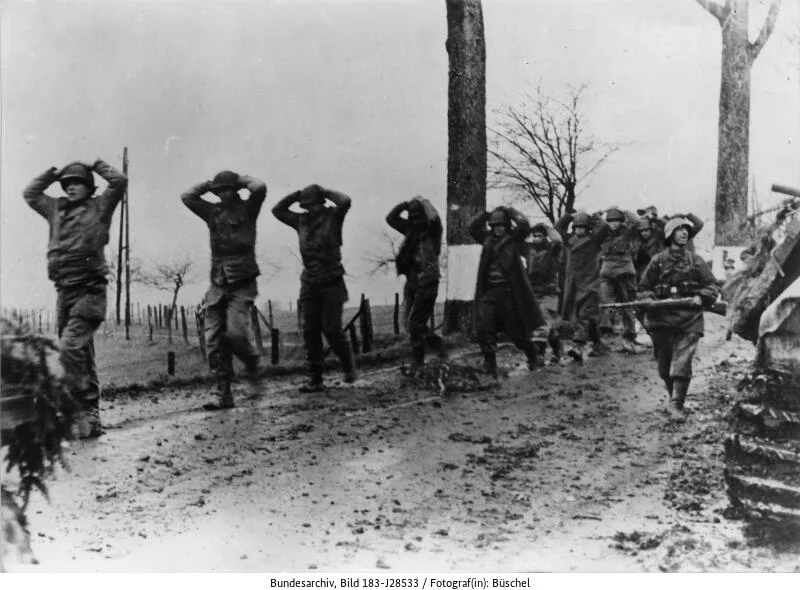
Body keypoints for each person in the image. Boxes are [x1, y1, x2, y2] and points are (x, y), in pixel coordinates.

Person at [23, 158, 128, 438]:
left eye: (77, 182)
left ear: (89, 187)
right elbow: (30, 193)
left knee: (70, 348)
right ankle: (90, 415)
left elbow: (119, 181)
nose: (70, 187)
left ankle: (85, 411)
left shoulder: (100, 207)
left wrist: (95, 165)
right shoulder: (54, 209)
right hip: (64, 292)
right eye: (66, 183)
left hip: (90, 291)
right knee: (80, 350)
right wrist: (52, 172)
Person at [181, 170, 267, 410]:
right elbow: (187, 197)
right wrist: (208, 184)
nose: (222, 194)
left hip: (242, 283)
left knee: (237, 335)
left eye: (227, 189)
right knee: (214, 341)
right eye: (219, 191)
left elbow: (259, 187)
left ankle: (252, 367)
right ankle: (224, 394)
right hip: (218, 284)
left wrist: (240, 180)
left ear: (236, 189)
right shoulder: (212, 212)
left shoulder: (248, 209)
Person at [272, 184, 356, 392]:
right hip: (309, 282)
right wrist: (295, 195)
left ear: (322, 203)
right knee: (310, 331)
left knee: (331, 329)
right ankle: (315, 378)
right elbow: (277, 211)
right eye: (306, 206)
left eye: (314, 205)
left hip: (332, 281)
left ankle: (348, 366)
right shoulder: (300, 221)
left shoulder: (334, 216)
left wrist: (325, 191)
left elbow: (345, 200)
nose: (310, 210)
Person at [637, 217, 719, 420]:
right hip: (661, 319)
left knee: (682, 361)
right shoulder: (657, 261)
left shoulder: (696, 260)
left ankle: (677, 405)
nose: (684, 233)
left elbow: (712, 286)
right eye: (679, 229)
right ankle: (673, 397)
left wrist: (702, 296)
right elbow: (643, 288)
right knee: (664, 366)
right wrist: (649, 300)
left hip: (689, 318)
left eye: (686, 230)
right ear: (669, 235)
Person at [469, 206, 544, 377]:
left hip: (509, 292)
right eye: (494, 225)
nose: (498, 228)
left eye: (501, 225)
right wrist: (485, 213)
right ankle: (490, 362)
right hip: (489, 292)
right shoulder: (487, 240)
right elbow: (472, 228)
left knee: (516, 331)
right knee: (484, 327)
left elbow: (524, 224)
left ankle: (532, 355)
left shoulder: (514, 240)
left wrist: (509, 211)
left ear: (507, 225)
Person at [386, 197, 444, 369]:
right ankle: (418, 362)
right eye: (412, 217)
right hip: (412, 283)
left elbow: (435, 218)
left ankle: (437, 344)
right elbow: (390, 219)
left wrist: (424, 202)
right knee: (411, 326)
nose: (416, 221)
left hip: (427, 281)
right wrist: (404, 204)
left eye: (419, 217)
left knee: (415, 324)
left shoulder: (432, 232)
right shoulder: (410, 231)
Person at [554, 210, 608, 363]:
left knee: (583, 316)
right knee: (584, 316)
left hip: (590, 284)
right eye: (576, 227)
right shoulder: (569, 241)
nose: (579, 230)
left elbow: (603, 226)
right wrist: (568, 216)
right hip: (573, 285)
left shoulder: (593, 240)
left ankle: (578, 345)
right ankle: (597, 343)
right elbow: (556, 230)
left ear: (588, 228)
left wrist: (593, 216)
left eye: (582, 227)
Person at [596, 207, 641, 352]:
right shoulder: (604, 233)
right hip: (607, 272)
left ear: (621, 221)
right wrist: (599, 214)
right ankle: (603, 339)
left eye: (616, 220)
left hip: (625, 272)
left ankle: (629, 339)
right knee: (604, 305)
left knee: (627, 305)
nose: (613, 224)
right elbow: (596, 226)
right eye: (610, 221)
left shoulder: (627, 232)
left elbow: (636, 221)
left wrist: (624, 210)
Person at [524, 222, 563, 363]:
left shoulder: (553, 249)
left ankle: (539, 354)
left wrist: (547, 228)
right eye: (534, 236)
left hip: (549, 292)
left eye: (540, 236)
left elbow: (558, 240)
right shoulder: (528, 249)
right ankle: (557, 350)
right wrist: (528, 228)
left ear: (545, 237)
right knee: (548, 326)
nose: (536, 239)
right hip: (533, 292)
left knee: (543, 320)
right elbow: (517, 240)